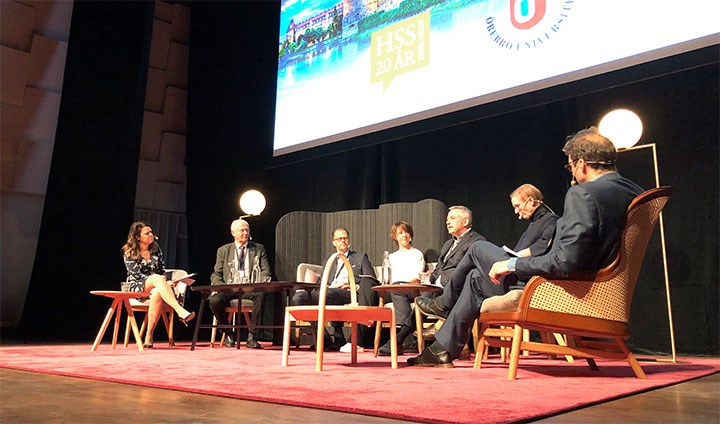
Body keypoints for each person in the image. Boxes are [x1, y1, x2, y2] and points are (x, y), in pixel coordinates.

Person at [408, 126, 644, 367]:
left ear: (581, 164)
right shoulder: (635, 192)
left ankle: (443, 305)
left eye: (570, 166)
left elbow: (564, 261)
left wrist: (512, 263)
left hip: (562, 288)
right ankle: (440, 350)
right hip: (596, 284)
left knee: (478, 249)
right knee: (476, 279)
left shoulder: (583, 194)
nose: (572, 173)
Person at [415, 183, 559, 320]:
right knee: (474, 274)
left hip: (523, 276)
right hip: (515, 270)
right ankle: (444, 343)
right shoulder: (535, 223)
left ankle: (443, 303)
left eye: (517, 206)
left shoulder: (550, 219)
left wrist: (513, 259)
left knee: (478, 247)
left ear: (530, 201)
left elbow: (542, 247)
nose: (516, 211)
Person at [292, 227, 376, 351]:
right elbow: (324, 282)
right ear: (334, 242)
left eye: (345, 238)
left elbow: (370, 280)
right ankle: (323, 337)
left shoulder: (360, 257)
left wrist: (352, 285)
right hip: (330, 292)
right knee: (299, 298)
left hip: (350, 293)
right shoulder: (330, 260)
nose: (343, 241)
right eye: (340, 238)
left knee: (329, 293)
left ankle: (338, 335)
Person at [122, 221, 195, 349]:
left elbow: (162, 271)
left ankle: (149, 335)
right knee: (156, 278)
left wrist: (166, 282)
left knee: (157, 293)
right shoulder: (129, 252)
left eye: (151, 232)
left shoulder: (156, 250)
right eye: (147, 233)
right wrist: (160, 280)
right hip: (137, 286)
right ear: (138, 237)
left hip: (155, 286)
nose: (151, 235)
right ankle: (179, 310)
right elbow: (137, 275)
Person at [209, 218, 271, 349]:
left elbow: (266, 270)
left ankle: (252, 336)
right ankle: (228, 334)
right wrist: (220, 287)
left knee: (261, 293)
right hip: (230, 289)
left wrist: (262, 280)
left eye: (247, 230)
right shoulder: (223, 250)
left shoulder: (259, 249)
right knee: (214, 300)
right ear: (233, 233)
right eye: (242, 230)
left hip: (250, 288)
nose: (245, 233)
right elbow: (217, 273)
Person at [377, 221, 426, 356]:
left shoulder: (417, 254)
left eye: (406, 232)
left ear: (410, 236)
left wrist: (400, 284)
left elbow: (418, 277)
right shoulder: (390, 257)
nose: (404, 235)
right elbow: (384, 279)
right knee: (393, 290)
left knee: (397, 288)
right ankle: (407, 341)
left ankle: (402, 339)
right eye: (400, 233)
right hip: (394, 290)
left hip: (412, 289)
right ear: (395, 237)